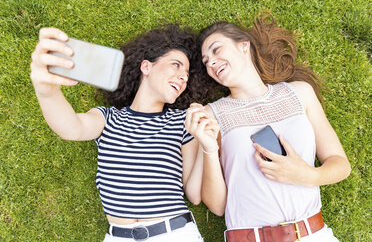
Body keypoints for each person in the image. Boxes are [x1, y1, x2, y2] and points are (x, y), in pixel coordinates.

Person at [30, 25, 205, 242]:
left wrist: (207, 146)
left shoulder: (183, 122)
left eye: (186, 74)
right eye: (176, 65)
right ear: (146, 67)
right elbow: (72, 128)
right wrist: (47, 92)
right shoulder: (109, 118)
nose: (183, 77)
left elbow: (195, 195)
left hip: (174, 234)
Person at [186, 13, 351, 242]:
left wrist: (308, 175)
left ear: (243, 46)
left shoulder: (299, 92)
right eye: (206, 62)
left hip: (312, 235)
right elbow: (218, 206)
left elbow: (340, 164)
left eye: (216, 50)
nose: (211, 62)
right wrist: (209, 148)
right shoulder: (211, 115)